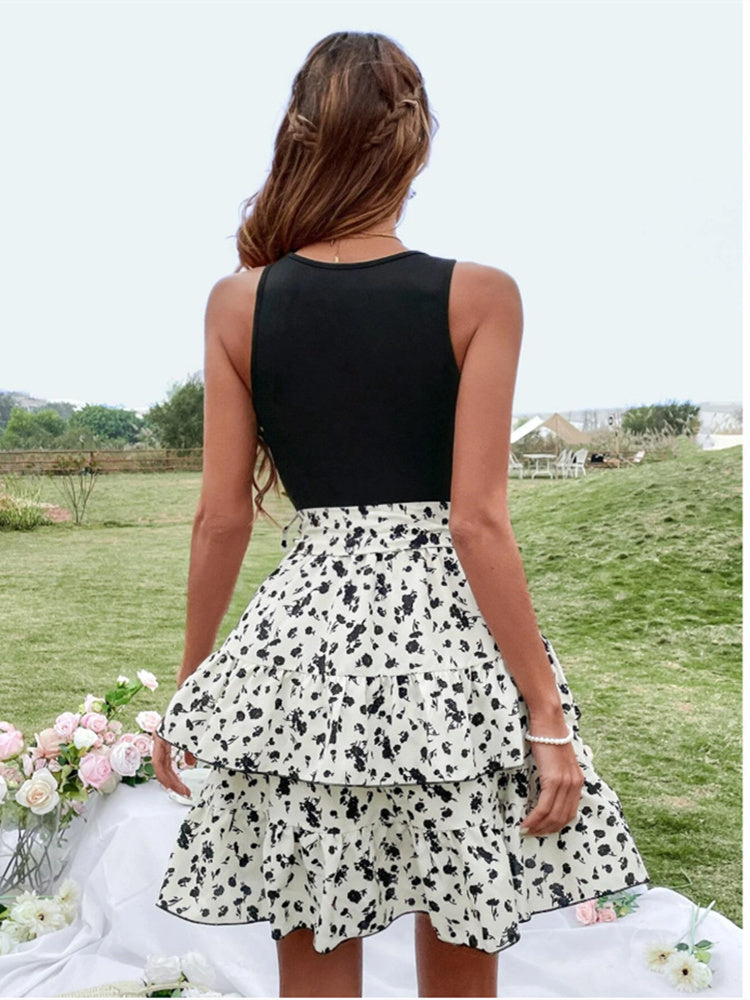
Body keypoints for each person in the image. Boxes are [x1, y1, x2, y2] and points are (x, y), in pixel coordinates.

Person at [151, 29, 650, 999]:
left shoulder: (237, 304)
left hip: (304, 650)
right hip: (447, 655)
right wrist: (545, 716)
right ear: (413, 144)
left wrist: (195, 683)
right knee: (462, 935)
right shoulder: (480, 295)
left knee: (314, 951)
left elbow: (221, 519)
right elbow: (477, 521)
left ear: (301, 137)